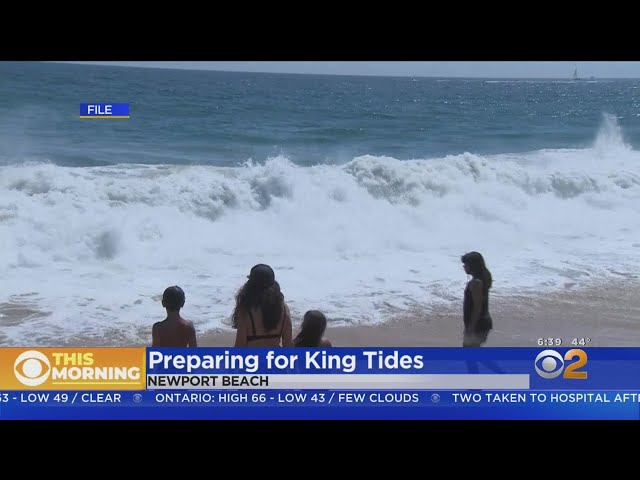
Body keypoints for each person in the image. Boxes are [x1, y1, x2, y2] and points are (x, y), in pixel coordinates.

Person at [232, 264, 293, 347]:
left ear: (250, 286)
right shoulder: (283, 308)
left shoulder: (246, 310)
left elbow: (240, 345)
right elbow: (288, 345)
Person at [461, 251, 493, 347]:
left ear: (472, 266)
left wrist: (471, 327)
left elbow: (477, 307)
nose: (464, 267)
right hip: (483, 320)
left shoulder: (476, 283)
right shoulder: (484, 277)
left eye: (466, 265)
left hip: (477, 324)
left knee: (469, 349)